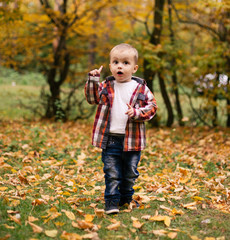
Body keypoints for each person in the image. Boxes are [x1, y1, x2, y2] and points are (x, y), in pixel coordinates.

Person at [85, 43, 157, 214]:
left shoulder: (140, 88)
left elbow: (152, 106)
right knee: (111, 172)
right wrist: (92, 80)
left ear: (134, 68)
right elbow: (91, 98)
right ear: (110, 66)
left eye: (125, 63)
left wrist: (137, 112)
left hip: (132, 139)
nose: (120, 66)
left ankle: (126, 197)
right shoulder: (105, 86)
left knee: (130, 173)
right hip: (110, 138)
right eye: (116, 62)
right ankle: (111, 201)